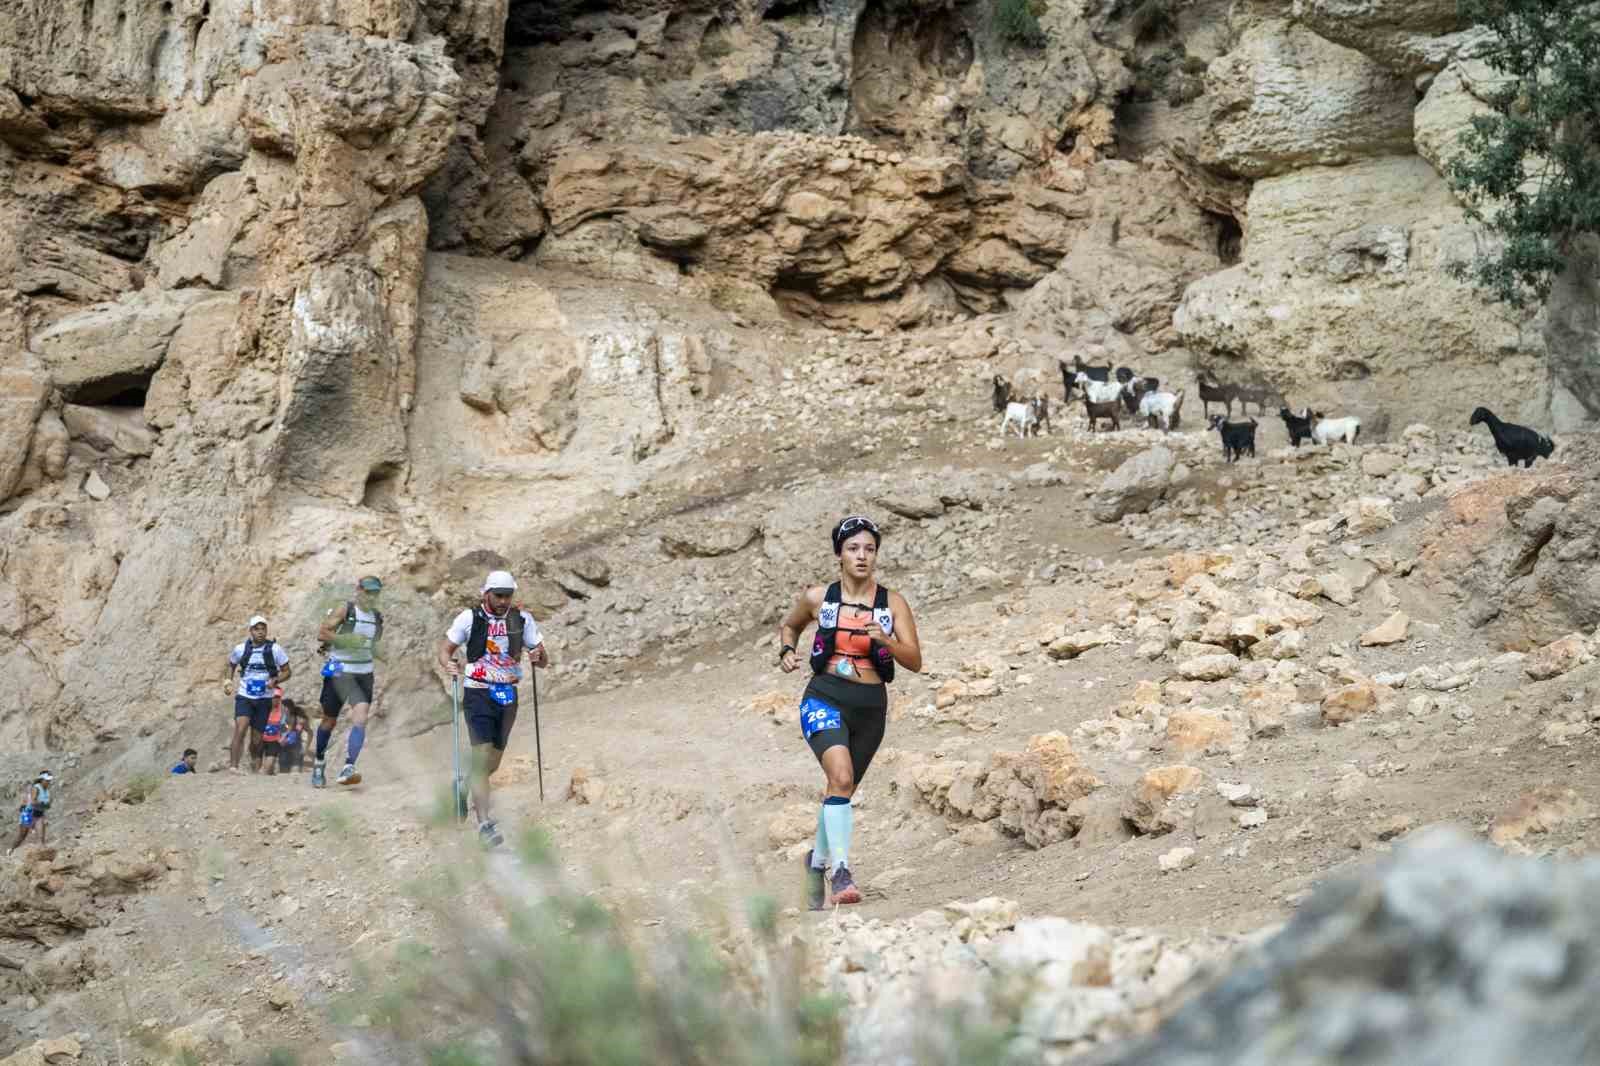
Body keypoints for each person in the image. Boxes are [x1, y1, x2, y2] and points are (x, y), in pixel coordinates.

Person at [777, 515, 922, 909]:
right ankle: (840, 871)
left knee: (841, 790)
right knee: (839, 777)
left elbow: (915, 661)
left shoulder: (892, 604)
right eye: (853, 548)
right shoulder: (817, 597)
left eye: (869, 549)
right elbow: (789, 627)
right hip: (824, 696)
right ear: (839, 553)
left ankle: (815, 861)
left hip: (871, 708)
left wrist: (888, 641)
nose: (862, 556)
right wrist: (787, 651)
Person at [437, 570, 549, 847]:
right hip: (478, 692)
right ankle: (485, 825)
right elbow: (445, 649)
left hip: (507, 693)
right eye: (498, 595)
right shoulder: (469, 618)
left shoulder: (522, 619)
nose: (503, 601)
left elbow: (542, 659)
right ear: (486, 593)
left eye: (507, 595)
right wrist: (448, 664)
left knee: (492, 763)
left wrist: (538, 655)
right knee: (481, 754)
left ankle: (463, 785)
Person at [311, 575, 386, 789]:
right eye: (367, 591)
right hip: (340, 673)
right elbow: (323, 633)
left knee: (360, 720)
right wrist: (346, 640)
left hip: (364, 674)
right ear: (359, 590)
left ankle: (349, 767)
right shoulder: (346, 609)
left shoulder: (377, 618)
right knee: (329, 721)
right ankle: (319, 762)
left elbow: (372, 645)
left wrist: (385, 656)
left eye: (375, 593)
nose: (370, 596)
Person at [225, 616, 292, 774]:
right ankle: (233, 767)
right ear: (250, 631)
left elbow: (287, 671)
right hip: (244, 696)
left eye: (263, 629)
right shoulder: (240, 649)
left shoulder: (275, 649)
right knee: (240, 728)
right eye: (257, 629)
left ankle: (255, 769)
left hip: (264, 698)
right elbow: (231, 664)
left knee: (256, 739)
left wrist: (275, 680)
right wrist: (227, 680)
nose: (260, 632)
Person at [8, 771, 55, 854]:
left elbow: (48, 806)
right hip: (29, 813)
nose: (48, 782)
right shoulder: (36, 788)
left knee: (41, 837)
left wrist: (46, 805)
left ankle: (42, 857)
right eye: (47, 780)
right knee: (22, 836)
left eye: (49, 780)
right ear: (41, 780)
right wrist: (43, 804)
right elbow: (33, 802)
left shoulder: (47, 792)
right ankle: (11, 850)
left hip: (39, 815)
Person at [261, 687, 287, 775]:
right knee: (256, 766)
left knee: (268, 767)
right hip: (260, 739)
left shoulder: (283, 710)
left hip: (274, 740)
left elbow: (286, 725)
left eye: (277, 697)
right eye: (273, 697)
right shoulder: (261, 708)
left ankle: (270, 772)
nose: (275, 699)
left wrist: (283, 736)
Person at [279, 703, 309, 774]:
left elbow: (307, 732)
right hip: (288, 746)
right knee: (289, 769)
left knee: (287, 769)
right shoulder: (284, 719)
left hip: (291, 746)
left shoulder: (299, 721)